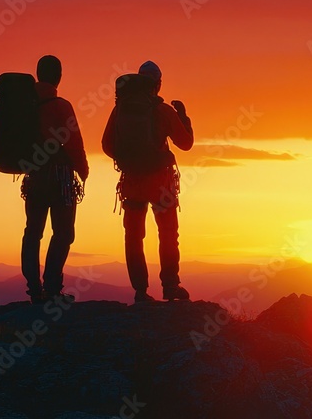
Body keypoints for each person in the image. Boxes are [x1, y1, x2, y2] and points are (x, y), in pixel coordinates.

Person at [102, 60, 193, 303]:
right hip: (160, 182)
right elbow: (185, 144)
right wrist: (184, 118)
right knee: (167, 233)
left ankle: (141, 291)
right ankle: (170, 287)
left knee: (133, 236)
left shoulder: (120, 109)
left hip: (132, 182)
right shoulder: (163, 111)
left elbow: (107, 145)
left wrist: (128, 160)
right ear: (158, 84)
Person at [20, 55, 89, 304]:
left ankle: (34, 289)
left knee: (33, 231)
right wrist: (83, 169)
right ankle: (51, 288)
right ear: (59, 76)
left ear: (38, 74)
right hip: (59, 176)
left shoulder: (23, 105)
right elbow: (74, 142)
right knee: (63, 232)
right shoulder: (61, 106)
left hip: (34, 176)